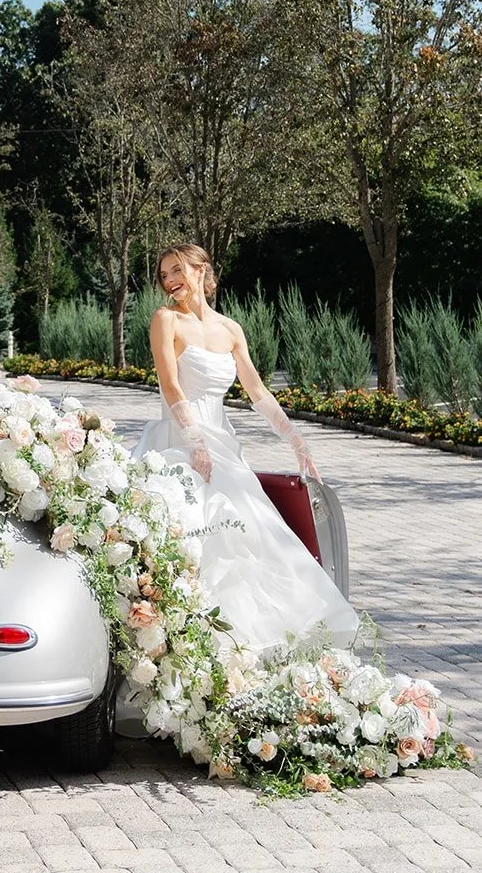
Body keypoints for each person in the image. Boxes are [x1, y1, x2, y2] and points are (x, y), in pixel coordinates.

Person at [131, 243, 358, 650]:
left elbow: (258, 392)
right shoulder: (166, 320)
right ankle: (191, 643)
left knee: (255, 535)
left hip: (223, 443)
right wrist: (194, 441)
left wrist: (296, 440)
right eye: (164, 274)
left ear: (201, 269)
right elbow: (170, 384)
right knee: (198, 537)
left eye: (177, 269)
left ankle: (256, 643)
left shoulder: (230, 329)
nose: (170, 280)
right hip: (179, 441)